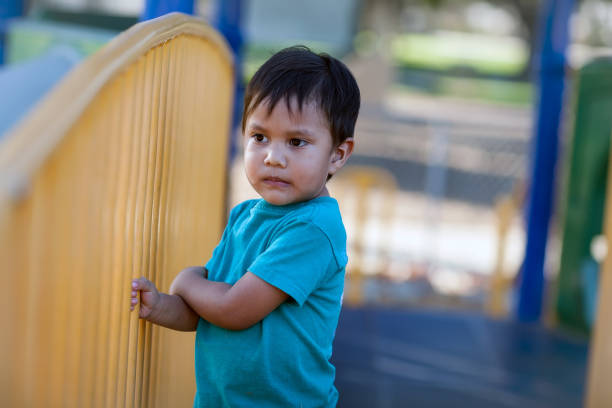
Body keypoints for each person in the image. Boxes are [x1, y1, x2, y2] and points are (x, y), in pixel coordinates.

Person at [130, 45, 360, 407]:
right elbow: (208, 310)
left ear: (338, 153)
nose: (273, 157)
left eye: (296, 142)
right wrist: (160, 305)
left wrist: (187, 281)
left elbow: (234, 309)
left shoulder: (314, 229)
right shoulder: (245, 216)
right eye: (259, 137)